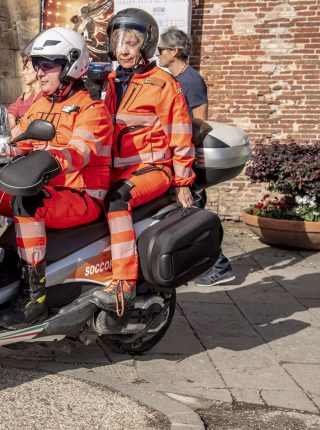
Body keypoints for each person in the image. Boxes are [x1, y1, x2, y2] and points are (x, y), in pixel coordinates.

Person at [0, 26, 113, 329]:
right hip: (44, 187)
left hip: (81, 196)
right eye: (37, 65)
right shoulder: (40, 103)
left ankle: (33, 296)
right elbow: (13, 140)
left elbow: (79, 153)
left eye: (48, 65)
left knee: (28, 203)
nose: (39, 73)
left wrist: (46, 160)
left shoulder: (93, 110)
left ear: (72, 66)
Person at [90, 9, 195, 316]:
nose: (123, 49)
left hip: (151, 169)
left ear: (145, 46)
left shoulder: (164, 84)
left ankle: (124, 283)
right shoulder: (105, 82)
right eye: (118, 41)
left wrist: (183, 182)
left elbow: (181, 134)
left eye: (131, 42)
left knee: (116, 200)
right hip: (113, 170)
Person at [158, 28, 236, 287]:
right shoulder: (176, 78)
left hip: (188, 157)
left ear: (175, 52)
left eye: (161, 50)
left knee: (194, 214)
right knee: (191, 213)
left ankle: (220, 266)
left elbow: (200, 121)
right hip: (180, 157)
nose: (158, 54)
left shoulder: (190, 80)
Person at [7, 54, 42, 129]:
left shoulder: (47, 96)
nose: (23, 72)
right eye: (23, 69)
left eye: (27, 68)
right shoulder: (23, 98)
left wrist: (17, 120)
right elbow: (9, 119)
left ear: (38, 70)